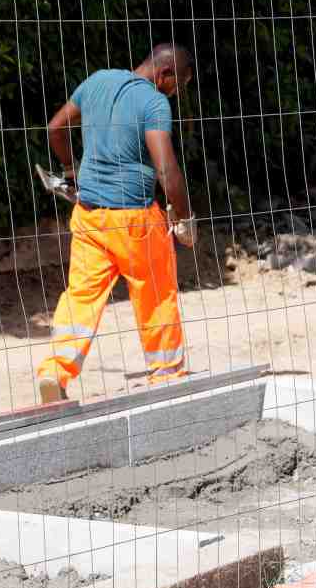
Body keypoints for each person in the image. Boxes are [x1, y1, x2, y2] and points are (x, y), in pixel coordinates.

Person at [34, 43, 197, 403]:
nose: (176, 93)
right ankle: (167, 373)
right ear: (165, 74)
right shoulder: (154, 103)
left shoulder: (97, 82)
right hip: (135, 219)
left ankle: (55, 372)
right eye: (178, 85)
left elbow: (55, 128)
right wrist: (184, 217)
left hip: (89, 216)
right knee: (155, 294)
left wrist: (69, 171)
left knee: (80, 297)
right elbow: (166, 170)